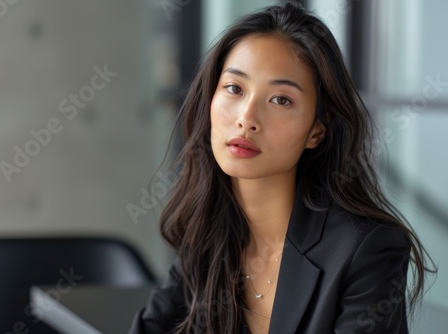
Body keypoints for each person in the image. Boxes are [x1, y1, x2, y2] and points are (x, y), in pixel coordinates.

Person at [130, 1, 434, 333]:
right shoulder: (209, 231)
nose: (247, 119)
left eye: (281, 100)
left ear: (316, 131)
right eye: (234, 88)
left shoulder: (367, 250)